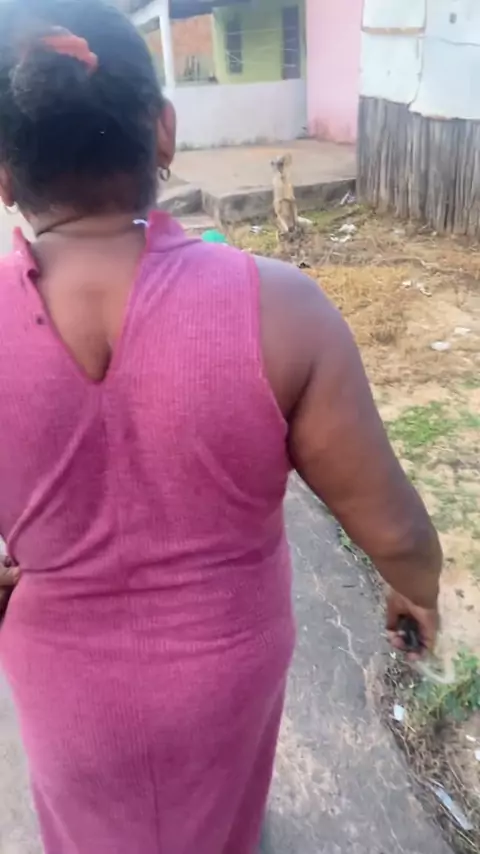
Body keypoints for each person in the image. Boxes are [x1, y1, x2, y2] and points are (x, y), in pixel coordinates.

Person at [0, 1, 441, 853]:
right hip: (228, 676)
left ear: (5, 174)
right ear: (164, 133)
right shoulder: (282, 309)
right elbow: (397, 532)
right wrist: (414, 585)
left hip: (64, 687)